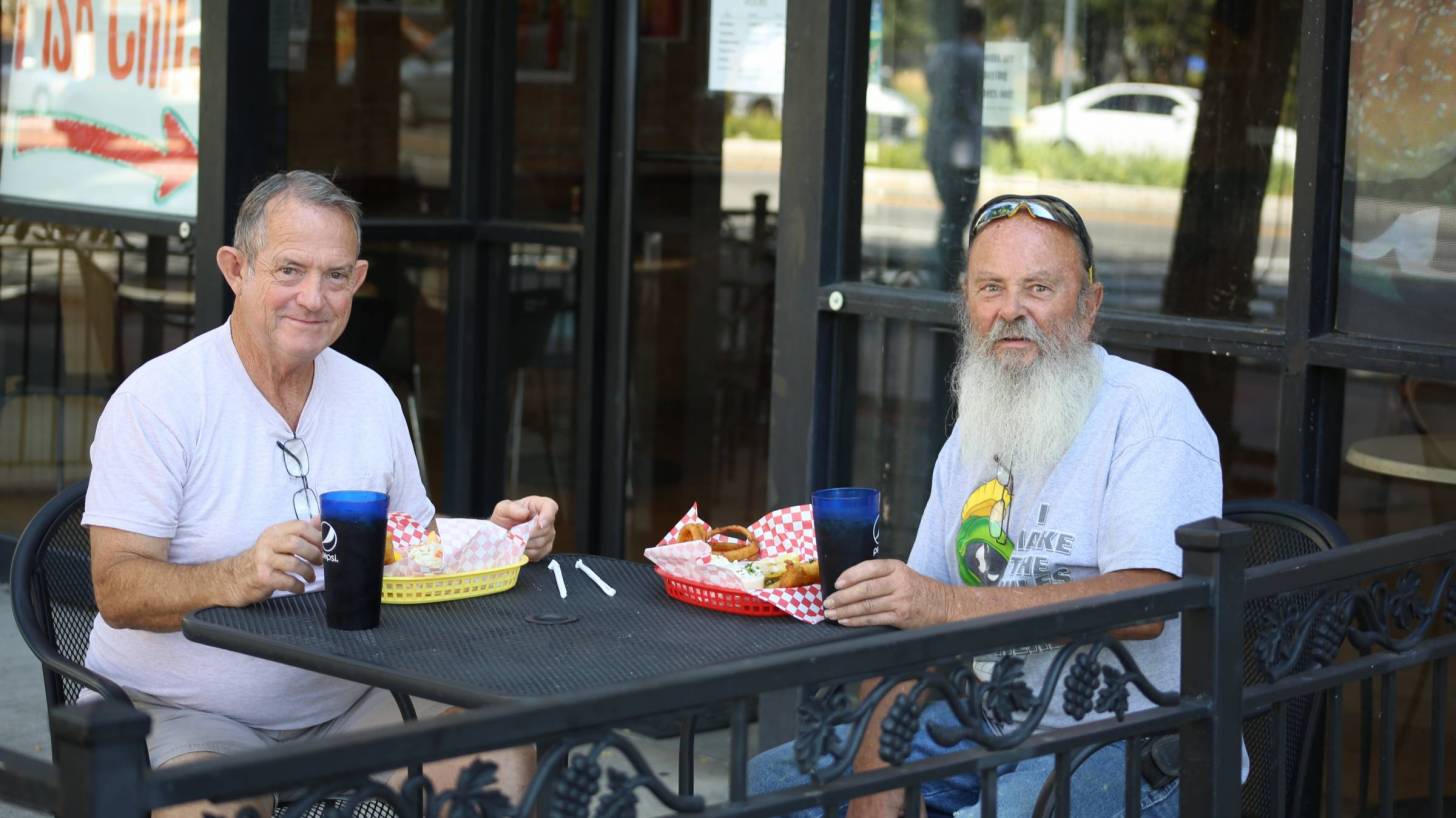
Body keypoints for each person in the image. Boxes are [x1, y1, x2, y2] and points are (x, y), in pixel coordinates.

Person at [83, 170, 560, 817]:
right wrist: (233, 575)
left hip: (355, 701)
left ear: (358, 282)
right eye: (289, 270)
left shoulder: (368, 396)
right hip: (188, 714)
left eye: (335, 275)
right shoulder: (159, 401)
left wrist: (497, 535)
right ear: (235, 269)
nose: (313, 297)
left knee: (498, 747)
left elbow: (411, 543)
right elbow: (116, 590)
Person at [749, 194, 1222, 818]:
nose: (1011, 312)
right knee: (768, 786)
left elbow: (1145, 601)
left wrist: (946, 605)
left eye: (1039, 287)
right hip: (987, 720)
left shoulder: (1150, 411)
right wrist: (875, 782)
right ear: (968, 304)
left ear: (1089, 307)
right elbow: (907, 626)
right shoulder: (978, 423)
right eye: (991, 288)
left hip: (1127, 739)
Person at [924, 5, 987, 292]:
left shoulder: (940, 54)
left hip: (937, 146)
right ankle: (948, 281)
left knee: (950, 215)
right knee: (957, 218)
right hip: (965, 151)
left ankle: (946, 276)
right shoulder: (976, 57)